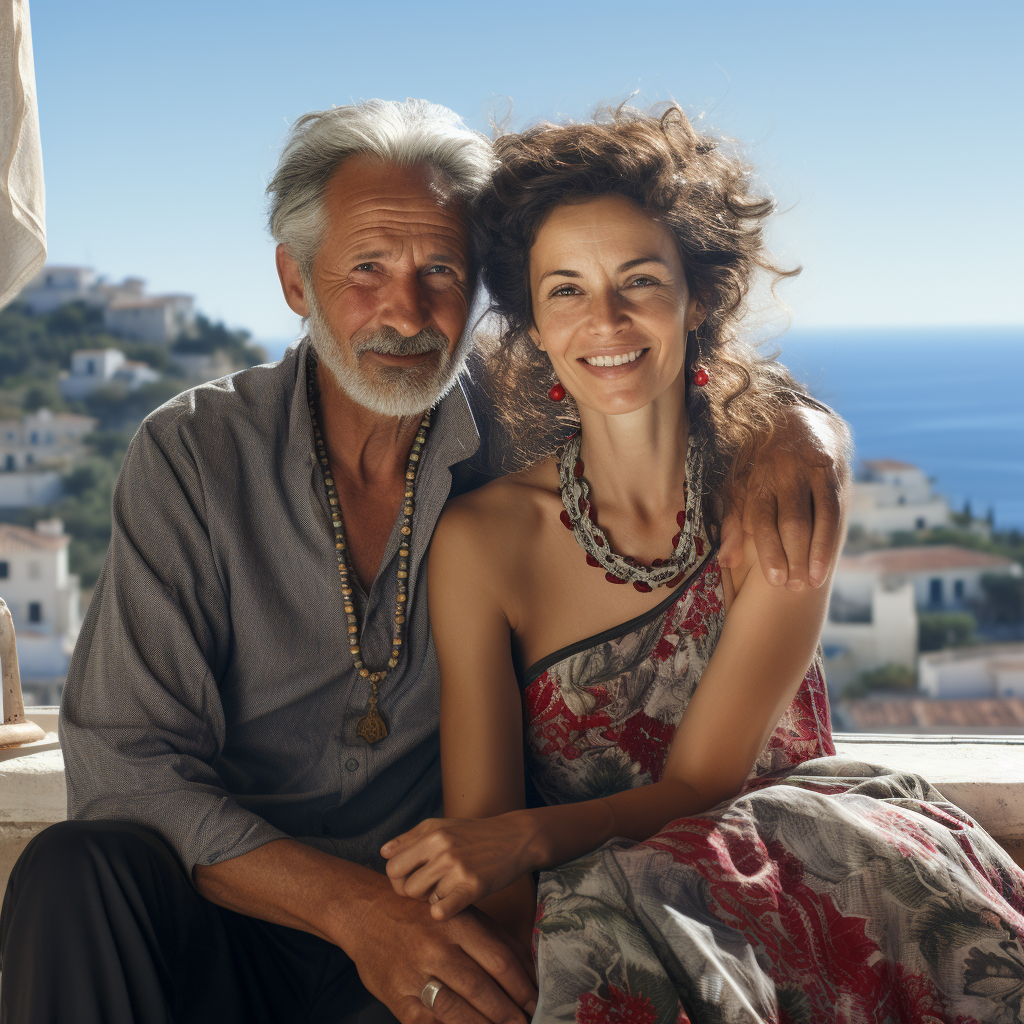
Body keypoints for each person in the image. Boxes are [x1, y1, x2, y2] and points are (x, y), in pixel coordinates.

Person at [0, 100, 852, 1024]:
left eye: (439, 270)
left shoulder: (517, 414)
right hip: (237, 911)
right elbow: (125, 769)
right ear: (296, 279)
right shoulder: (194, 456)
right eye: (366, 268)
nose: (405, 312)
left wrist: (804, 429)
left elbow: (648, 356)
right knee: (71, 871)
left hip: (440, 923)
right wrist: (351, 911)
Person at [380, 106, 1024, 1023]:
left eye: (638, 280)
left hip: (807, 872)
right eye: (565, 290)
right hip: (614, 924)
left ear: (700, 298)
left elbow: (701, 789)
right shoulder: (481, 542)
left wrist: (528, 836)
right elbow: (480, 842)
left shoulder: (782, 491)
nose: (604, 320)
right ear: (531, 318)